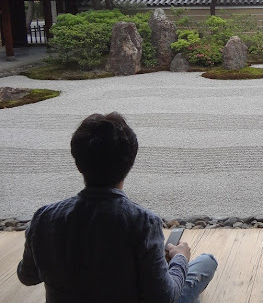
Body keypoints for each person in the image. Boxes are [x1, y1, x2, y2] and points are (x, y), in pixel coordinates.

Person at [17, 112, 218, 303]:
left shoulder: (45, 218)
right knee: (206, 262)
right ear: (130, 162)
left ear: (78, 164)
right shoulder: (142, 223)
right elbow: (163, 298)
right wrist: (180, 259)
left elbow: (27, 276)